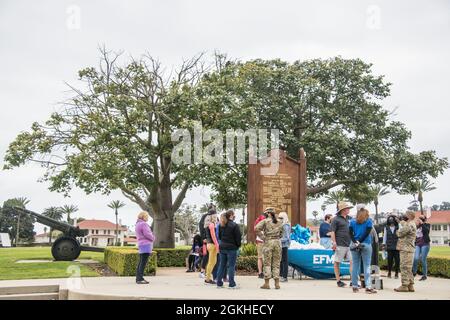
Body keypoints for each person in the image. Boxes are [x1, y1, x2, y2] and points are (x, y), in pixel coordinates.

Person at [349, 208, 377, 294]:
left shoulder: (352, 222)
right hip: (366, 244)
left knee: (355, 265)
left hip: (354, 244)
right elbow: (367, 233)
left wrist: (355, 242)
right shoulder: (368, 221)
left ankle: (354, 286)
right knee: (367, 265)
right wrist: (359, 242)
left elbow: (350, 233)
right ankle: (368, 287)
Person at [255, 207, 284, 290]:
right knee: (276, 263)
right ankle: (277, 283)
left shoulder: (265, 221)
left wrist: (263, 237)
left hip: (268, 242)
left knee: (267, 263)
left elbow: (256, 228)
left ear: (268, 213)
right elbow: (282, 233)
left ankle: (267, 283)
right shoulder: (280, 221)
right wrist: (277, 237)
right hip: (278, 243)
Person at [216, 210, 242, 289]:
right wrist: (238, 245)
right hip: (232, 248)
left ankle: (219, 283)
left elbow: (219, 237)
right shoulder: (234, 225)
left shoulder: (221, 225)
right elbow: (238, 238)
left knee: (222, 265)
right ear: (231, 215)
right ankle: (231, 284)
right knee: (231, 266)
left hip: (222, 247)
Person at [330, 201, 353, 288]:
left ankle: (352, 281)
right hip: (340, 244)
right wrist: (334, 243)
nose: (349, 209)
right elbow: (332, 232)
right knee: (337, 262)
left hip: (349, 244)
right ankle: (338, 281)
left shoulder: (349, 218)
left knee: (352, 262)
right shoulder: (335, 219)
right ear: (343, 210)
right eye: (347, 208)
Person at [394, 211, 417, 292]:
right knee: (408, 268)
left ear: (409, 216)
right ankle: (410, 284)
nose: (404, 215)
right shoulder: (412, 224)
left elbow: (400, 233)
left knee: (404, 267)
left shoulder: (409, 225)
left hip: (405, 249)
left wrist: (397, 229)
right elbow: (405, 225)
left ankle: (404, 285)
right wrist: (400, 222)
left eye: (406, 214)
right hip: (409, 249)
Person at [135, 211, 155, 284]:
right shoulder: (144, 224)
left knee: (141, 262)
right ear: (143, 217)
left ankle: (139, 278)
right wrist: (153, 238)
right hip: (146, 245)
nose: (148, 218)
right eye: (147, 216)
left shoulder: (137, 224)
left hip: (141, 244)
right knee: (143, 263)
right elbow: (147, 234)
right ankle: (140, 279)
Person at [198, 205, 216, 278]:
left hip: (213, 240)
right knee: (206, 255)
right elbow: (201, 227)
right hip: (207, 239)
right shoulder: (205, 216)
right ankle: (202, 271)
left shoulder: (215, 217)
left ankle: (210, 272)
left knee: (213, 258)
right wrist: (204, 237)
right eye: (212, 208)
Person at [412, 215, 431, 281]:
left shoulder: (427, 225)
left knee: (423, 259)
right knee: (416, 258)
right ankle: (414, 273)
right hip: (417, 244)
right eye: (419, 218)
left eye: (421, 218)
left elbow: (427, 231)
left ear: (424, 219)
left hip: (425, 244)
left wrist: (422, 223)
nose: (420, 219)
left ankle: (424, 275)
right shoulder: (416, 227)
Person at [204, 212, 219, 284]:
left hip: (209, 244)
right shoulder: (212, 225)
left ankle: (208, 277)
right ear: (212, 217)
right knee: (211, 262)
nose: (216, 218)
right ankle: (208, 279)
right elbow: (213, 236)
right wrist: (217, 245)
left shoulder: (208, 225)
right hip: (212, 245)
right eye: (215, 217)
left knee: (213, 262)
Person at [254, 211, 268, 279]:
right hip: (266, 241)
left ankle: (260, 273)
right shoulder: (267, 220)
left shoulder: (258, 219)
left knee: (260, 258)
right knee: (266, 257)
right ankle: (266, 273)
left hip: (259, 240)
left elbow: (255, 229)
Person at [278, 212, 291, 282]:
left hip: (284, 245)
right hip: (281, 245)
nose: (279, 219)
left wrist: (279, 240)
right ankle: (281, 275)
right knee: (281, 260)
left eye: (281, 218)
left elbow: (286, 237)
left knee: (284, 261)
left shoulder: (285, 225)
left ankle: (284, 276)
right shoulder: (283, 225)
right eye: (279, 217)